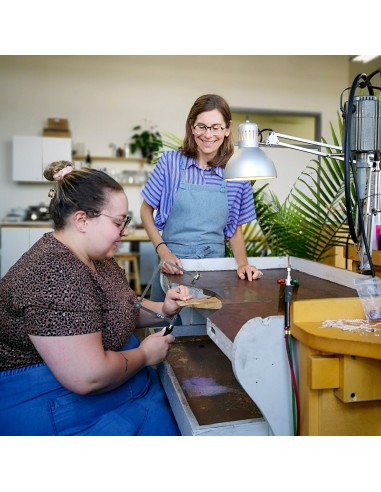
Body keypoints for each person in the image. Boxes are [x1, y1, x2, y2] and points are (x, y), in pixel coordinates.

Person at [0, 161, 193, 436]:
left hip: (116, 381)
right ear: (81, 220)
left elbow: (122, 305)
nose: (124, 231)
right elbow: (89, 376)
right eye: (118, 222)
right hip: (49, 400)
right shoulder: (55, 272)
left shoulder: (97, 257)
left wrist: (164, 307)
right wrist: (145, 354)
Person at [140, 94, 263, 302]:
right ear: (192, 127)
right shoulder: (170, 163)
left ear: (226, 129)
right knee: (166, 328)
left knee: (205, 329)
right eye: (202, 127)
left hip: (213, 271)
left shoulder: (236, 173)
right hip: (171, 265)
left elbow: (235, 231)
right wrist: (163, 251)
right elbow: (145, 211)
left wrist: (242, 264)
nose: (208, 134)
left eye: (215, 127)